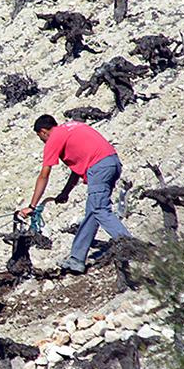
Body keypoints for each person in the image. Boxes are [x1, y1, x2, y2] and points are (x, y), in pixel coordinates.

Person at [18, 114, 131, 273]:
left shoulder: (53, 139)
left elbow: (44, 175)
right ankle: (77, 259)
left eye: (40, 137)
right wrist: (65, 192)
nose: (42, 141)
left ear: (43, 132)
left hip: (98, 167)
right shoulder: (72, 127)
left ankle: (132, 247)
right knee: (92, 212)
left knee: (100, 210)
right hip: (112, 163)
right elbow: (77, 169)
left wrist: (32, 206)